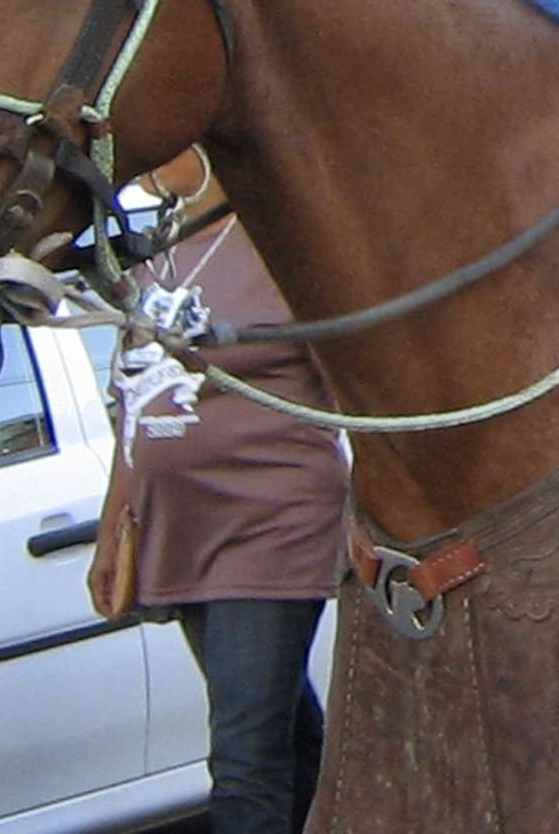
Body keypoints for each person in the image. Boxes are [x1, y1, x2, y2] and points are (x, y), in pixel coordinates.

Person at [91, 154, 345, 834]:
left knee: (243, 760)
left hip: (268, 520)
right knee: (277, 727)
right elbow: (131, 403)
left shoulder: (283, 248)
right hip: (182, 528)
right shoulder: (158, 256)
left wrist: (376, 513)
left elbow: (354, 392)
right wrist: (114, 522)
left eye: (171, 143)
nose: (147, 156)